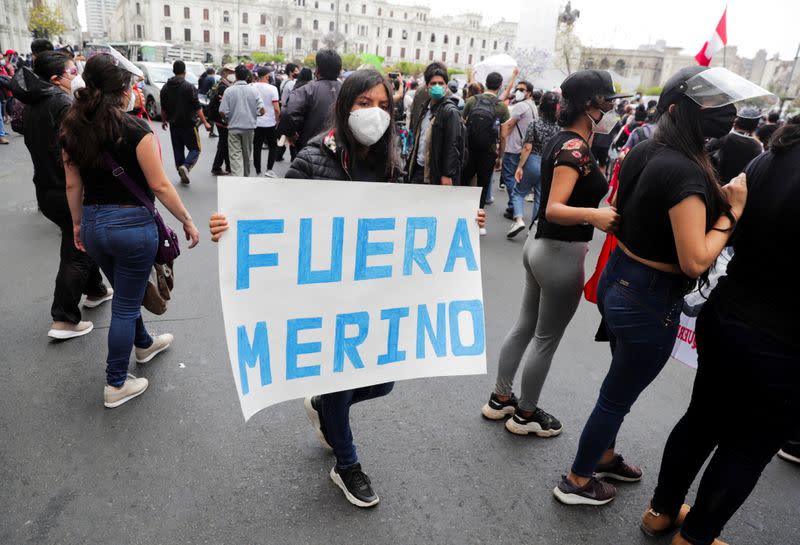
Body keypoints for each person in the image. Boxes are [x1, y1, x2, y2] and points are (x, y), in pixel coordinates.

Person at [210, 68, 485, 508]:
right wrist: (235, 225)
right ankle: (347, 463)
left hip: (371, 297)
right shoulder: (315, 156)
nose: (373, 113)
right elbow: (278, 217)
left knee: (383, 382)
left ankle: (321, 405)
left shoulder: (391, 161)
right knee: (341, 382)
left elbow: (407, 221)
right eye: (363, 104)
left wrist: (461, 223)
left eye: (382, 105)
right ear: (345, 106)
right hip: (325, 300)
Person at [554, 66, 757, 507]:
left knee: (617, 381)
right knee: (616, 396)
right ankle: (577, 479)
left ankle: (601, 454)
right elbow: (697, 259)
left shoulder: (647, 149)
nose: (726, 114)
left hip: (620, 281)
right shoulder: (683, 170)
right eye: (713, 105)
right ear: (680, 110)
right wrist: (732, 213)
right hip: (648, 296)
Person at [644, 113, 797, 545]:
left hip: (728, 315)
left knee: (702, 419)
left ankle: (661, 510)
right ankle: (695, 535)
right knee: (748, 447)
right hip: (786, 340)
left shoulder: (773, 156)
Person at [481, 70, 623, 439]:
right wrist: (595, 215)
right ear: (590, 106)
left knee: (526, 326)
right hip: (559, 251)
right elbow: (556, 207)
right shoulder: (574, 149)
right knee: (544, 337)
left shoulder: (569, 140)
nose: (611, 110)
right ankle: (526, 414)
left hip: (541, 246)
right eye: (607, 103)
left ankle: (501, 398)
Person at [60, 53, 200, 408]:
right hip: (131, 227)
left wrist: (78, 223)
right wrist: (186, 219)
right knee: (124, 304)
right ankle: (116, 382)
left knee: (125, 292)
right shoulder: (137, 130)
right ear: (123, 91)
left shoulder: (71, 127)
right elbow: (161, 187)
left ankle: (144, 344)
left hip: (93, 223)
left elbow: (72, 186)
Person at [11, 51, 111, 339]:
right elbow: (80, 153)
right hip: (65, 190)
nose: (75, 74)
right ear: (56, 78)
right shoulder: (62, 103)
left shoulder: (34, 104)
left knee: (79, 240)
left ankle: (95, 290)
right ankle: (64, 318)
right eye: (71, 71)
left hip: (45, 189)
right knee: (77, 249)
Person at [507, 91, 560, 238]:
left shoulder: (535, 124)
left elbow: (527, 147)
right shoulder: (559, 128)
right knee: (539, 197)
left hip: (532, 160)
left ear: (540, 107)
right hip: (548, 163)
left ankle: (518, 219)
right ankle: (533, 228)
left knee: (518, 192)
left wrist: (520, 166)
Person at [462, 71, 511, 228]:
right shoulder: (501, 107)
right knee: (483, 186)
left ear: (486, 83)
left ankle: (459, 212)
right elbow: (503, 136)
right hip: (488, 152)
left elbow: (462, 124)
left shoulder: (472, 101)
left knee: (463, 181)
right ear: (499, 86)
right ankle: (478, 220)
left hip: (468, 149)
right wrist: (500, 156)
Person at [406, 64, 464, 187]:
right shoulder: (425, 108)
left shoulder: (450, 111)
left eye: (441, 83)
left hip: (435, 174)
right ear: (427, 86)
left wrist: (447, 175)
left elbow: (452, 144)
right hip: (419, 168)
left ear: (446, 86)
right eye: (433, 83)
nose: (437, 86)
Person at [160, 60, 211, 185]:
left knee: (178, 149)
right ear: (184, 71)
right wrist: (205, 123)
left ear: (173, 71)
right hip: (189, 124)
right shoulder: (189, 87)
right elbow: (197, 107)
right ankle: (186, 167)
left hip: (174, 125)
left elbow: (163, 107)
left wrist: (163, 121)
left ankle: (181, 172)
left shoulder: (165, 88)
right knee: (195, 149)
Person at [284, 50, 342, 153]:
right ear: (339, 69)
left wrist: (291, 134)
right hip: (338, 149)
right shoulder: (348, 90)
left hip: (311, 148)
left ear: (317, 69)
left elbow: (289, 113)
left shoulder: (305, 90)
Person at [500, 80, 537, 219]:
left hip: (513, 146)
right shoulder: (533, 106)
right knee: (515, 177)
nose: (519, 91)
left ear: (529, 93)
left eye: (522, 89)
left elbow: (508, 126)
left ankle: (513, 206)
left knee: (509, 177)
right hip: (523, 147)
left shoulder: (521, 106)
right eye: (518, 88)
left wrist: (502, 144)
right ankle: (514, 206)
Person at [219, 65, 265, 177]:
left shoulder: (229, 91)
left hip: (234, 127)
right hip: (249, 128)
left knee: (235, 156)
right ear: (247, 76)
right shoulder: (254, 90)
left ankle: (238, 179)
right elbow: (262, 110)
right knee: (246, 155)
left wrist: (227, 119)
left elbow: (222, 111)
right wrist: (255, 113)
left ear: (235, 76)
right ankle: (245, 177)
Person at [707, 107, 763, 185]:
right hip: (736, 186)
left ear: (736, 121)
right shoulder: (757, 146)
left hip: (714, 181)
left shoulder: (724, 137)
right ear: (755, 126)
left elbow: (705, 150)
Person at [252, 66, 280, 177]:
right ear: (267, 76)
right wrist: (277, 119)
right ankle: (269, 169)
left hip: (256, 122)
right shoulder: (272, 89)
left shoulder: (252, 86)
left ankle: (258, 171)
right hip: (270, 122)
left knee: (257, 146)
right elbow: (277, 108)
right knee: (273, 146)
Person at [208, 64, 236, 174]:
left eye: (233, 72)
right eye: (229, 72)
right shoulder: (223, 87)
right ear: (224, 72)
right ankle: (216, 167)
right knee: (224, 143)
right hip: (221, 119)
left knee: (224, 143)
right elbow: (223, 106)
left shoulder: (225, 84)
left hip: (220, 118)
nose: (232, 74)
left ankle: (228, 166)